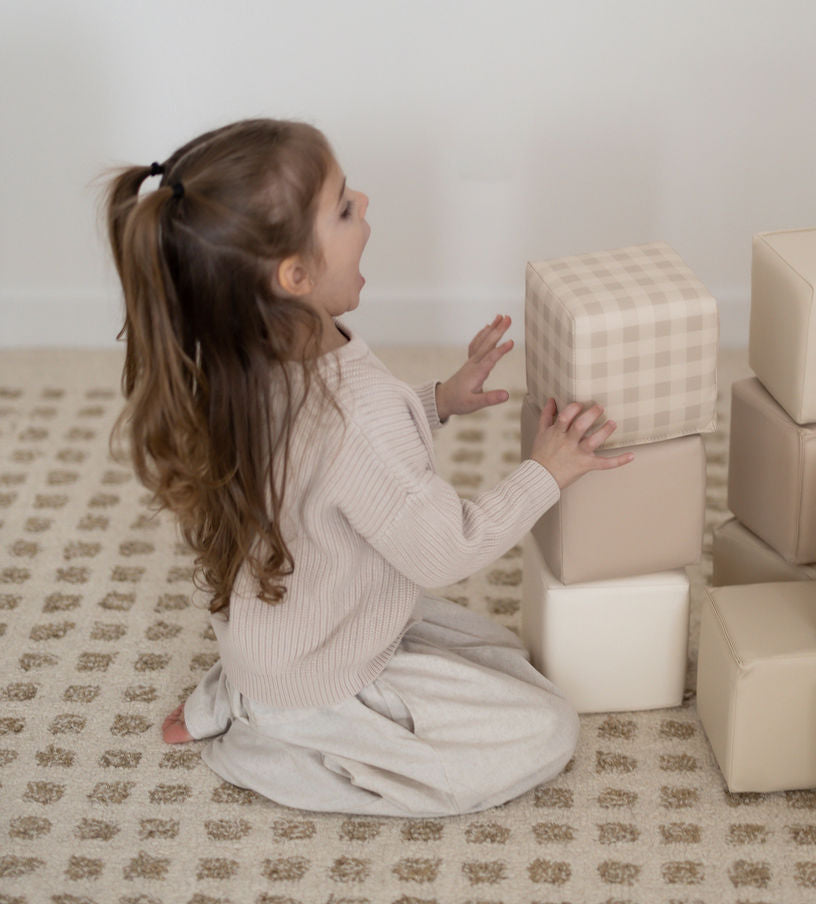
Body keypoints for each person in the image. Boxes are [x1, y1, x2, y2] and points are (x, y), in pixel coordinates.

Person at [104, 118, 634, 816]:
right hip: (322, 676)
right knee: (545, 728)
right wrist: (547, 469)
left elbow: (333, 464)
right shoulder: (354, 411)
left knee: (499, 649)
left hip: (297, 630)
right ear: (294, 275)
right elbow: (447, 548)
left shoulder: (251, 359)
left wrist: (438, 401)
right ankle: (274, 741)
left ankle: (246, 693)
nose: (367, 203)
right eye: (344, 207)